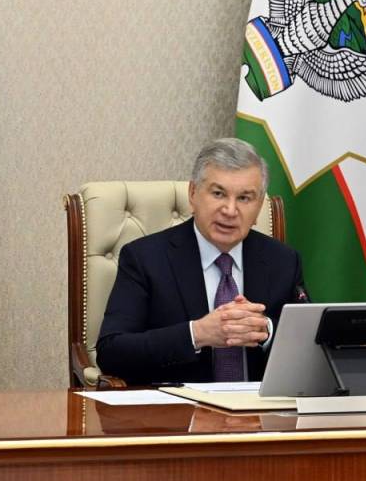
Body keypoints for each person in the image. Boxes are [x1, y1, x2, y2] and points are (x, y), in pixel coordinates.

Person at [95, 137, 304, 385]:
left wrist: (265, 330)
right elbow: (112, 351)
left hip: (258, 407)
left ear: (259, 207)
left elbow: (312, 343)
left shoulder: (283, 260)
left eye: (244, 198)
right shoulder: (145, 258)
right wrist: (196, 334)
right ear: (193, 194)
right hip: (177, 406)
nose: (230, 210)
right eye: (218, 194)